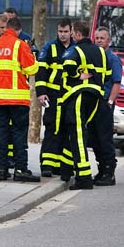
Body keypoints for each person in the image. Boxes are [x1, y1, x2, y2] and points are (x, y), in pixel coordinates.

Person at [0, 16, 40, 182]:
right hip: (18, 99)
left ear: (6, 29)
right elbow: (32, 69)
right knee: (19, 134)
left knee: (1, 134)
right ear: (18, 31)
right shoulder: (20, 45)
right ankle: (20, 169)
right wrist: (31, 53)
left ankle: (1, 169)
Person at [58, 20, 110, 190]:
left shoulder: (76, 50)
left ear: (78, 34)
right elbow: (107, 74)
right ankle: (66, 170)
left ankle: (84, 177)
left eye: (73, 32)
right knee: (76, 133)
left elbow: (67, 66)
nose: (71, 35)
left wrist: (78, 76)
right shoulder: (101, 52)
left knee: (79, 136)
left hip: (79, 95)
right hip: (96, 97)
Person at [35, 18, 72, 177]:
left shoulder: (76, 49)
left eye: (65, 32)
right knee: (51, 129)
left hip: (69, 97)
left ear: (71, 31)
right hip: (52, 96)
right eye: (60, 31)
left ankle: (59, 165)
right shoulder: (49, 48)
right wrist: (41, 93)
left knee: (65, 129)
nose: (62, 35)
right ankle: (47, 165)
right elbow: (41, 72)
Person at [90, 26, 122, 186]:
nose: (99, 41)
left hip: (104, 103)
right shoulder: (94, 57)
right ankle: (101, 170)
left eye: (102, 38)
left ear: (108, 41)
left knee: (104, 138)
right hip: (93, 103)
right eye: (97, 38)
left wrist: (110, 102)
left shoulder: (112, 58)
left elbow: (117, 82)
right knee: (94, 138)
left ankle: (109, 173)